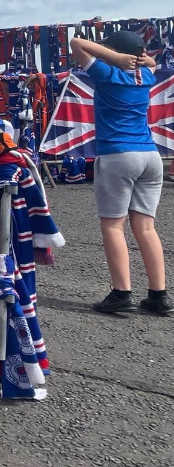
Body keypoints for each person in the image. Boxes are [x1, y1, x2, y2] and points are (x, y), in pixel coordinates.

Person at [70, 31, 171, 315]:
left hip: (117, 155)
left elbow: (77, 43)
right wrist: (134, 57)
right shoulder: (147, 77)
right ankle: (158, 295)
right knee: (147, 228)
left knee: (114, 226)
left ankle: (121, 292)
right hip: (150, 156)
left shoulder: (108, 73)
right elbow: (150, 62)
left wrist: (113, 57)